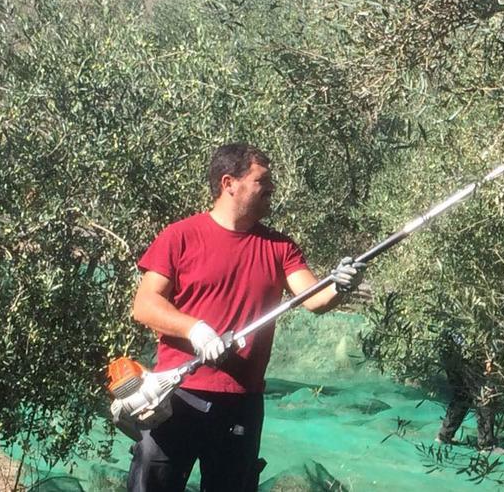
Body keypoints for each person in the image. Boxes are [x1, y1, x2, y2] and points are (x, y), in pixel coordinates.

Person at [125, 143, 373, 491]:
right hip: (175, 398)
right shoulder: (180, 236)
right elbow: (145, 304)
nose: (271, 189)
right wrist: (195, 330)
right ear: (229, 183)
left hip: (240, 404)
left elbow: (314, 298)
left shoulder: (280, 248)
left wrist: (341, 284)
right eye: (262, 180)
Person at [434, 328, 504, 454]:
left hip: (449, 349)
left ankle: (444, 436)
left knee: (462, 394)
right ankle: (486, 445)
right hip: (467, 352)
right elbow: (487, 324)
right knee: (484, 394)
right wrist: (490, 357)